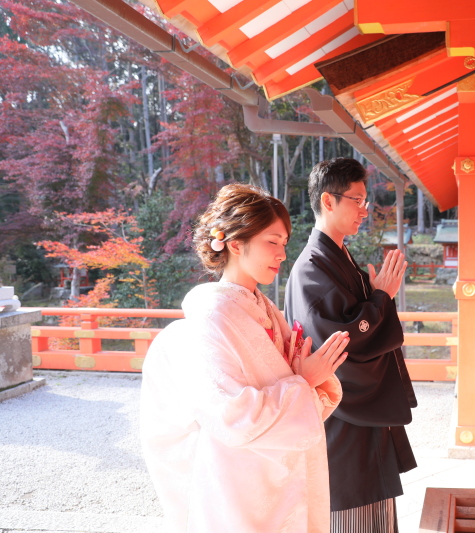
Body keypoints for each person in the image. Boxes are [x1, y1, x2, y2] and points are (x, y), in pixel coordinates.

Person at [140, 183, 349, 533]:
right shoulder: (213, 313)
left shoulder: (262, 306)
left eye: (284, 243)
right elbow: (229, 414)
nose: (282, 254)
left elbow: (291, 385)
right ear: (236, 243)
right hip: (238, 477)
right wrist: (305, 380)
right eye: (272, 242)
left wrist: (304, 377)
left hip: (279, 465)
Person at [284, 158, 417, 532]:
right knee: (351, 509)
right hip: (345, 414)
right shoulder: (311, 269)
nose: (365, 209)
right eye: (357, 200)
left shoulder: (337, 256)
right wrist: (381, 299)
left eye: (365, 200)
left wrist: (377, 298)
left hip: (360, 414)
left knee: (372, 509)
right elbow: (341, 345)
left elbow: (358, 324)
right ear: (329, 201)